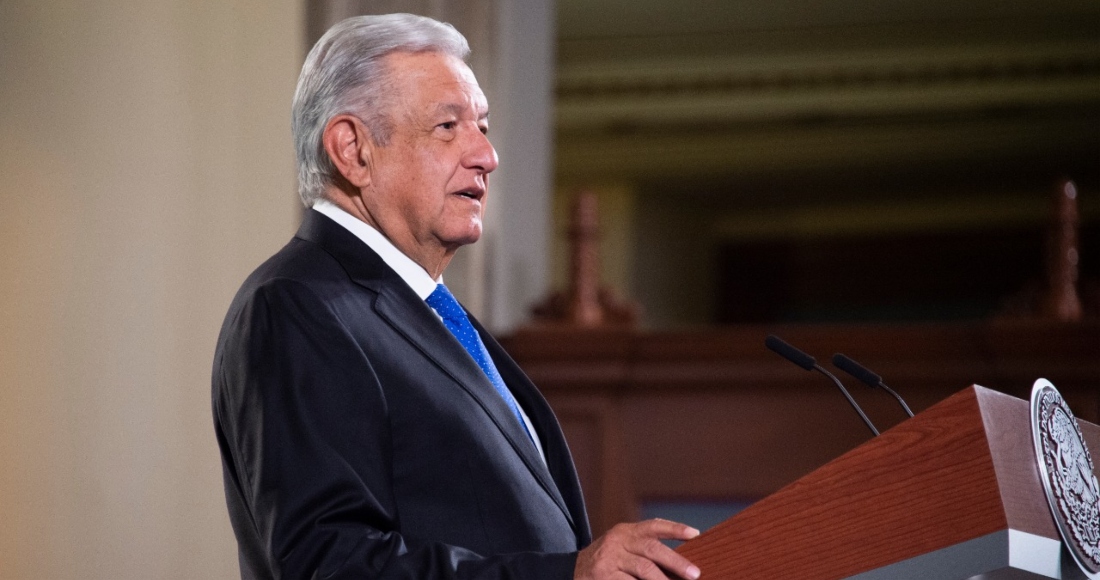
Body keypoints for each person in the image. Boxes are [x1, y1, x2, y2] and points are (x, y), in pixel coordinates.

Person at [212, 13, 701, 580]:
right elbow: (330, 563)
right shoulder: (298, 308)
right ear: (352, 149)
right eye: (448, 127)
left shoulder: (428, 312)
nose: (486, 156)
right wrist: (565, 575)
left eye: (483, 127)